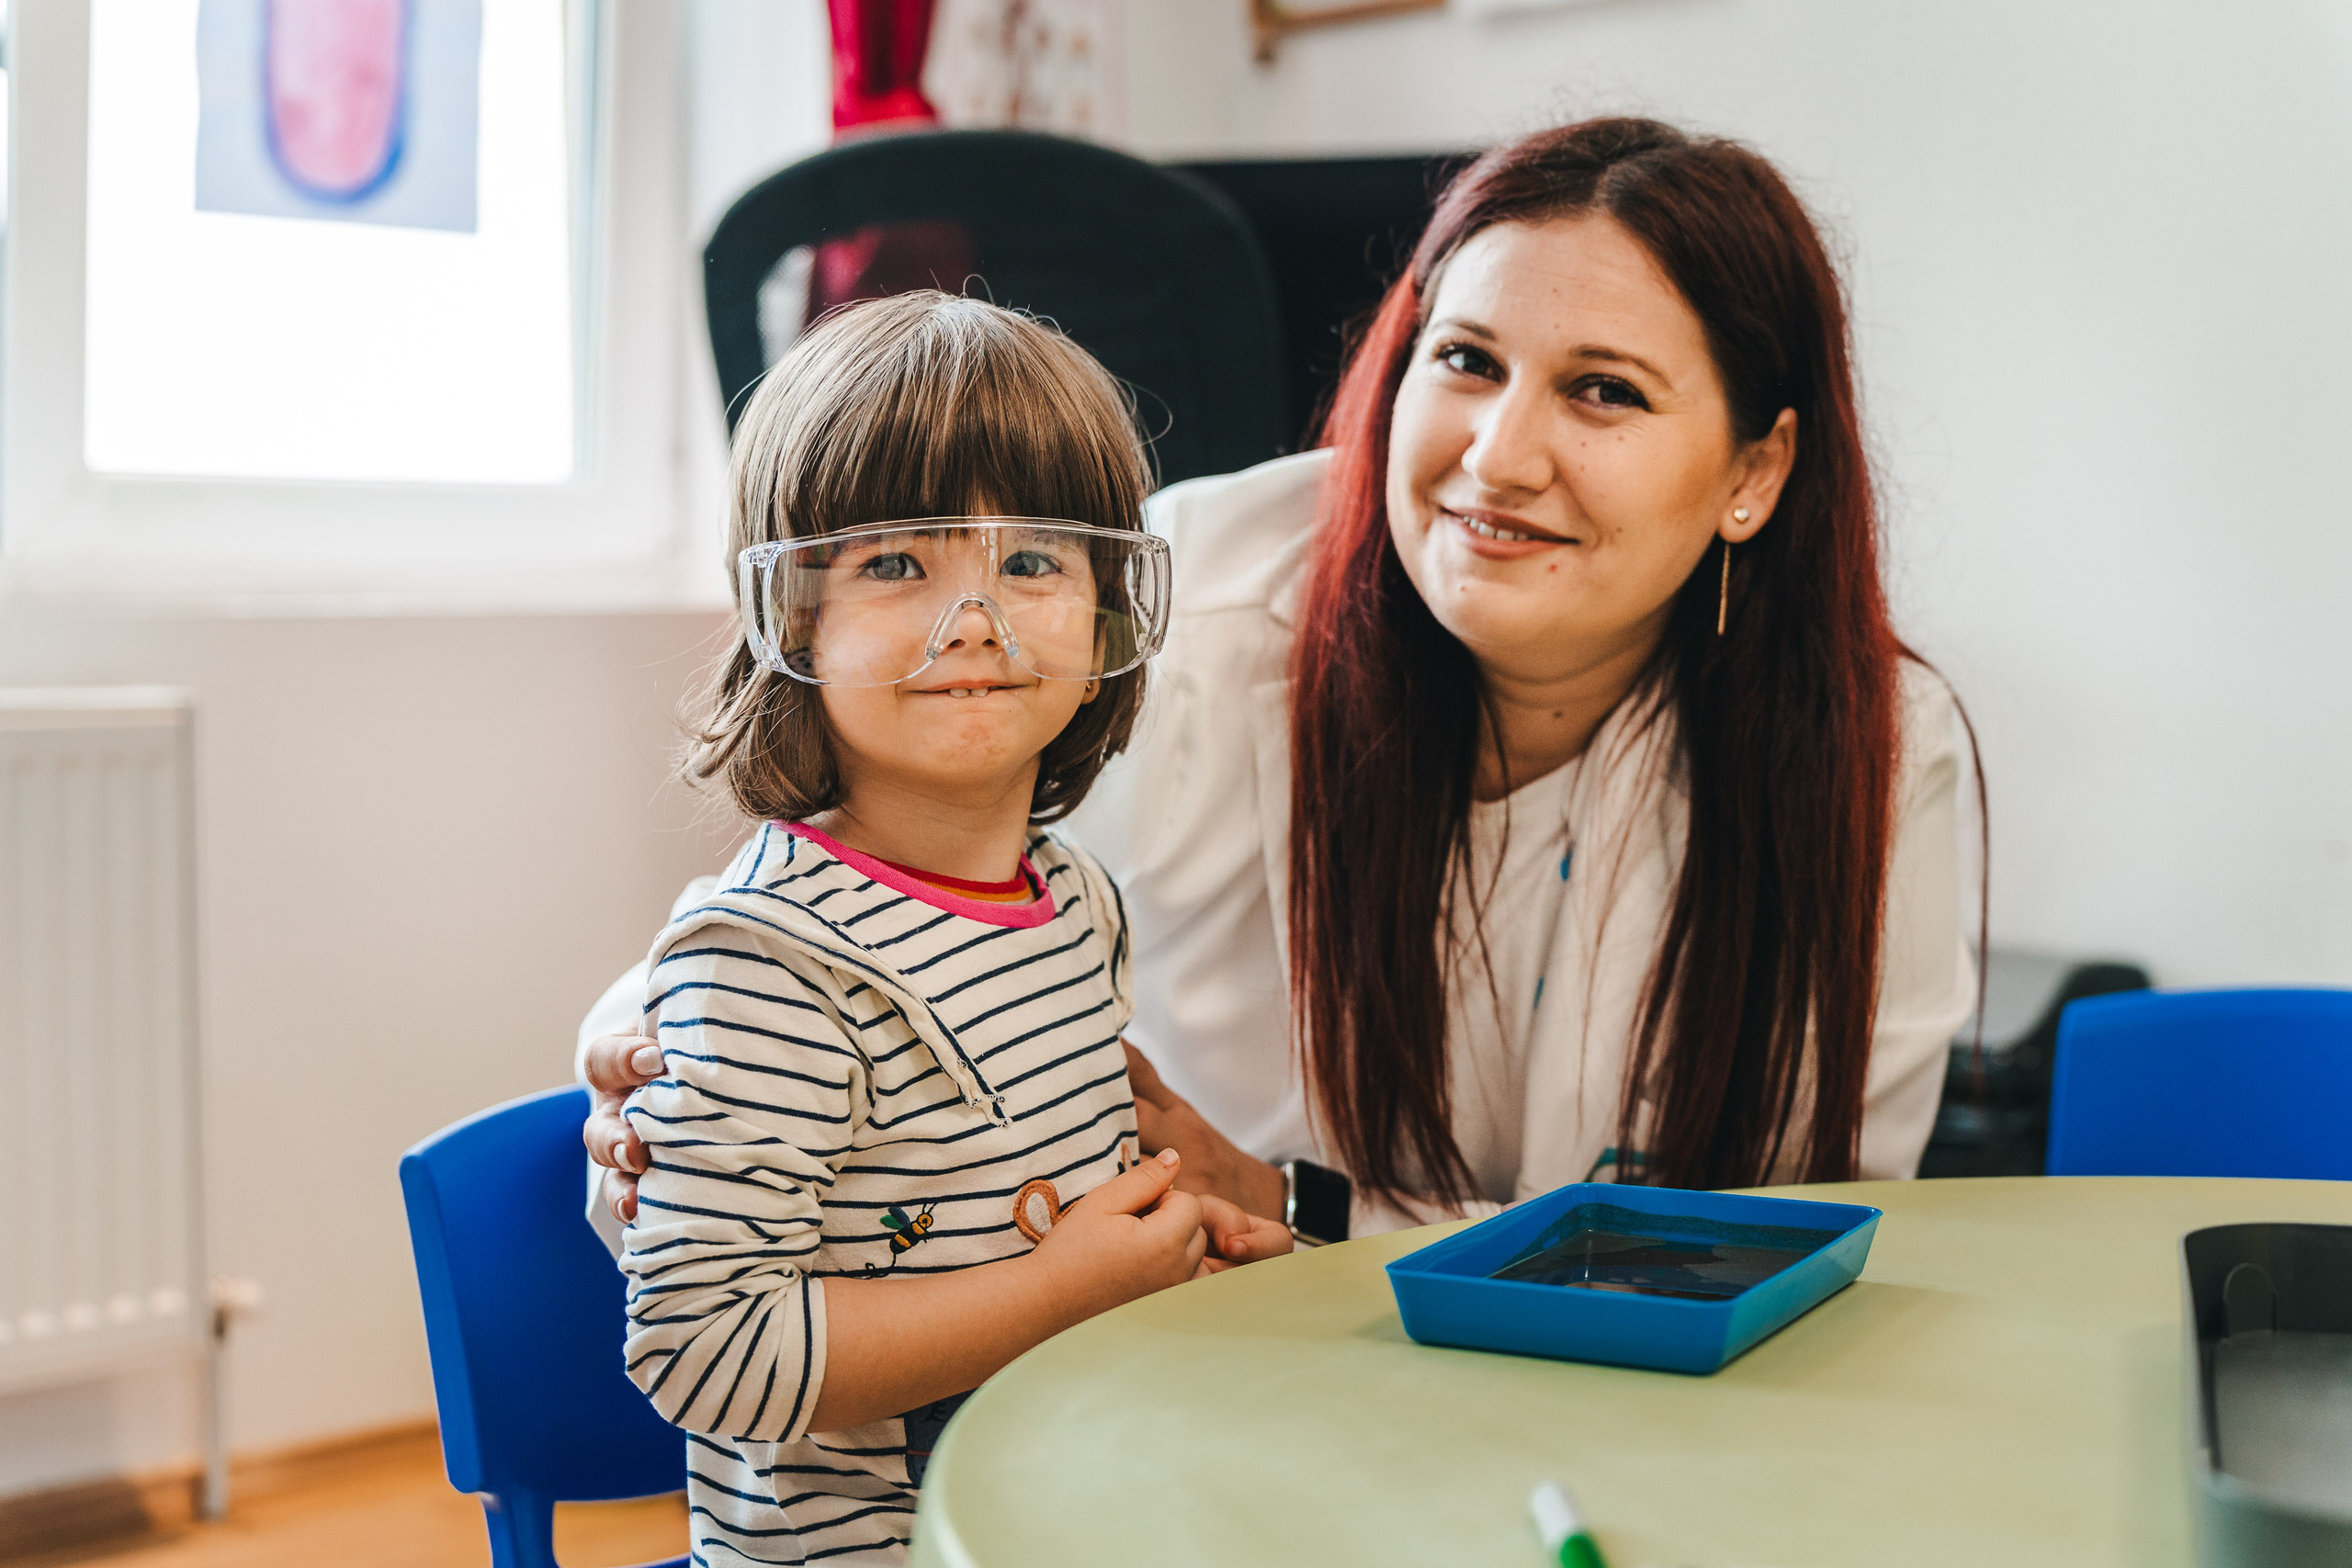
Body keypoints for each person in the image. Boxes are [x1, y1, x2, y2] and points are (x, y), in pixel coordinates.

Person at [585, 118, 1976, 1253]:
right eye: (1468, 361)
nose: (1496, 456)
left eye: (1603, 391)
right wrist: (634, 1041)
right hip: (1217, 1362)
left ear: (1754, 472)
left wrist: (1298, 1206)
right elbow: (826, 907)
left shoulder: (1873, 754)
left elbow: (1794, 1243)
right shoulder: (1193, 595)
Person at [607, 291, 1290, 1566]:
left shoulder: (1077, 901)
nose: (971, 622)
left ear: (1104, 613)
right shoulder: (773, 968)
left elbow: (1050, 1224)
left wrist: (1165, 1259)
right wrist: (1063, 1293)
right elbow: (701, 1353)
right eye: (897, 563)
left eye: (1030, 562)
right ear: (791, 612)